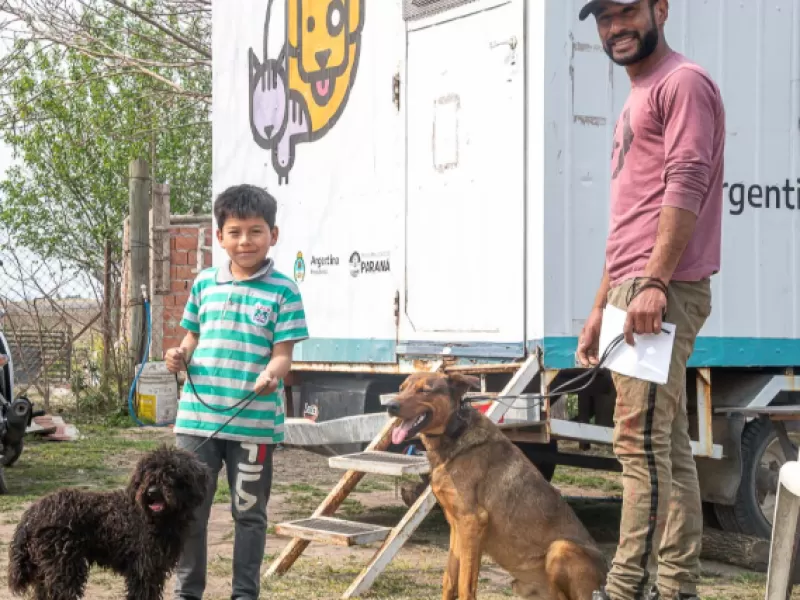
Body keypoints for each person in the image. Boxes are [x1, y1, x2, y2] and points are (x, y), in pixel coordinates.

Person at [575, 1, 725, 599]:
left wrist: (657, 282)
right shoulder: (639, 95)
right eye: (603, 18)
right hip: (631, 288)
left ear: (660, 8)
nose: (616, 27)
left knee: (635, 442)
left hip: (658, 287)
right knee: (665, 444)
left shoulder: (682, 83)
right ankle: (679, 588)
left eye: (627, 11)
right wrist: (599, 305)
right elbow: (629, 220)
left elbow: (687, 181)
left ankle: (625, 587)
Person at [164, 184, 309, 600]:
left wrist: (271, 375)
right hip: (197, 423)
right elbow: (190, 338)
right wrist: (180, 355)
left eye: (255, 231)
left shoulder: (284, 290)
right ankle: (186, 593)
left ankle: (245, 595)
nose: (245, 241)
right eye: (235, 232)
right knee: (189, 512)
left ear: (273, 235)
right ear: (219, 237)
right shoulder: (205, 283)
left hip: (254, 423)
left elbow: (284, 356)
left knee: (249, 514)